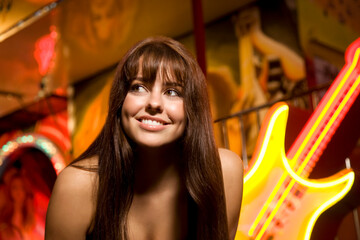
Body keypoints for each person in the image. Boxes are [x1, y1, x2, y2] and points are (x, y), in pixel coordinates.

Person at [45, 36, 243, 240]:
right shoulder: (77, 186)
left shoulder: (223, 173)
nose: (154, 103)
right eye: (139, 87)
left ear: (193, 108)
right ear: (120, 101)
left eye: (173, 92)